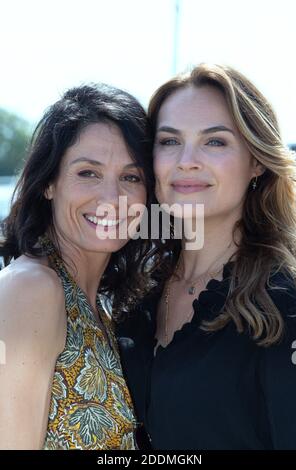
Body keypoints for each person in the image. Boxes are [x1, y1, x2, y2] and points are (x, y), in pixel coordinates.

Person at [116, 64, 296, 450]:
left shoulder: (285, 304)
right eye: (168, 141)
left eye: (214, 141)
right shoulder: (136, 293)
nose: (186, 160)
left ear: (257, 161)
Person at [0, 83, 155, 450]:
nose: (111, 199)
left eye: (131, 178)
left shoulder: (102, 304)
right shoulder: (31, 290)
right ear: (49, 183)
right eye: (88, 173)